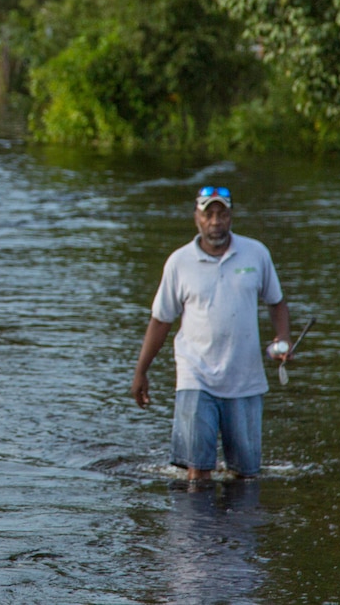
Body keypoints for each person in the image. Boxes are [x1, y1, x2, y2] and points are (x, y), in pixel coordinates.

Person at [131, 185, 292, 482]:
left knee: (245, 475)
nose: (215, 221)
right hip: (196, 376)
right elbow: (161, 321)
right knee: (198, 472)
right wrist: (141, 372)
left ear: (231, 217)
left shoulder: (256, 254)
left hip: (245, 378)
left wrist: (282, 338)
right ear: (197, 218)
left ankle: (236, 529)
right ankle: (195, 530)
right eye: (209, 214)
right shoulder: (179, 262)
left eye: (222, 214)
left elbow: (276, 301)